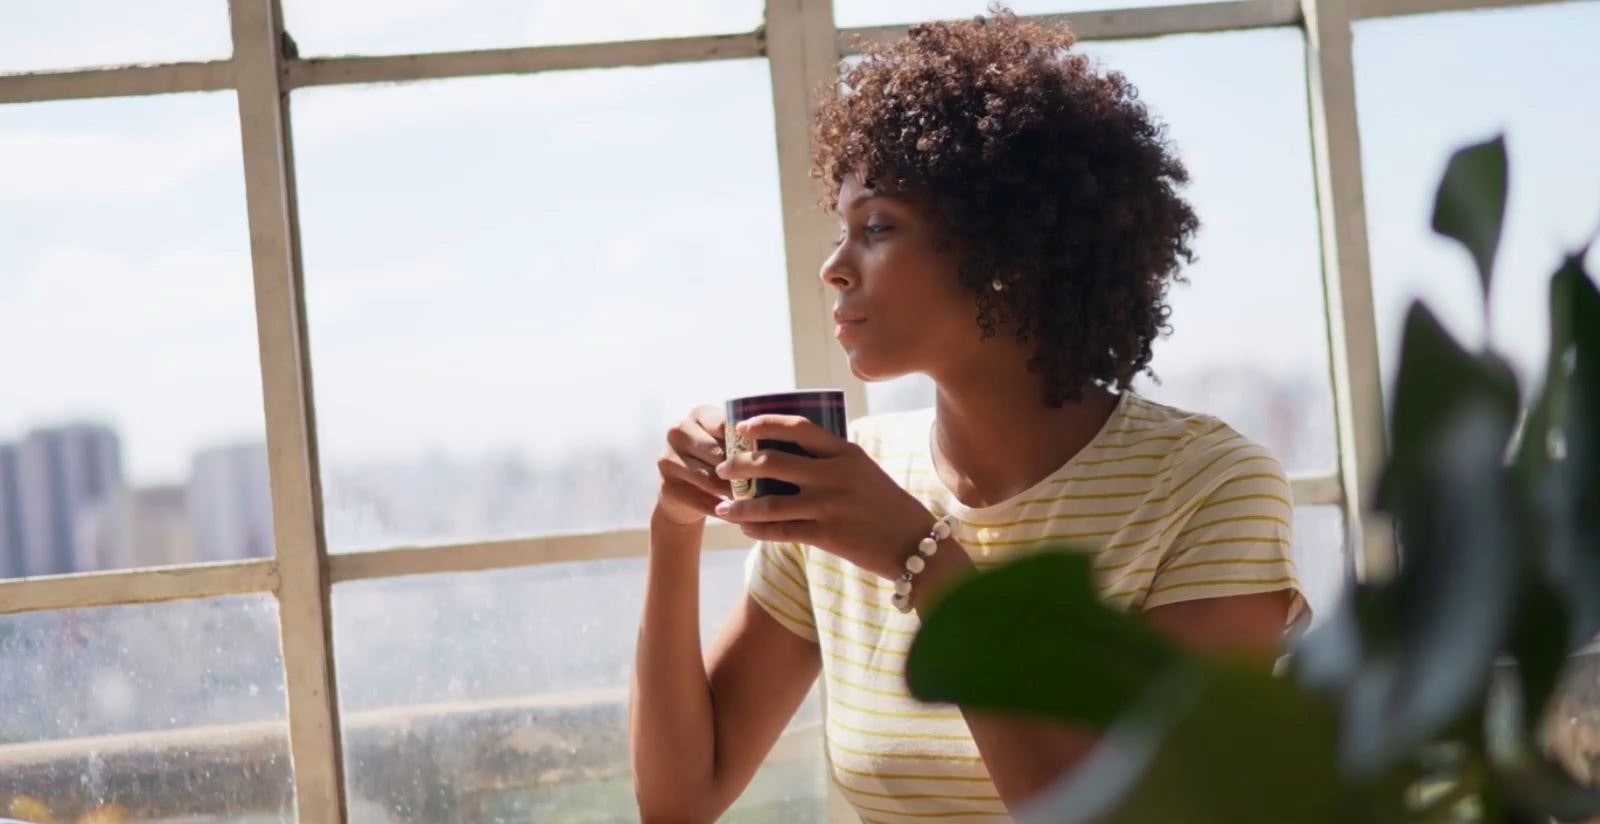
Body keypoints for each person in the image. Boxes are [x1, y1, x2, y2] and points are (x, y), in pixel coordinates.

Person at [630, 10, 1307, 822]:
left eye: (876, 227)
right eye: (840, 229)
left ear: (1004, 254)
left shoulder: (1207, 488)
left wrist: (924, 558)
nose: (833, 267)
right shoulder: (846, 486)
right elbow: (678, 799)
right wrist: (675, 529)